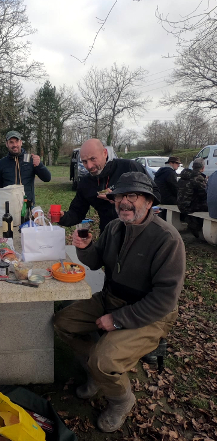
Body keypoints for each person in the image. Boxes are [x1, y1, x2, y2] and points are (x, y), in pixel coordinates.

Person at [54, 172, 184, 433]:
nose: (124, 202)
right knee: (62, 323)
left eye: (132, 196)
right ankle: (95, 372)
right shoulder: (114, 227)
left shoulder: (167, 239)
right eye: (119, 196)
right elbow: (95, 261)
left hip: (151, 314)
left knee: (105, 360)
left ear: (149, 202)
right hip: (110, 298)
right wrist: (85, 247)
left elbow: (164, 299)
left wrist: (118, 319)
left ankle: (122, 401)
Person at [58, 138, 153, 232]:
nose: (89, 166)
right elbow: (77, 212)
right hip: (108, 234)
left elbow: (155, 193)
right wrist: (62, 217)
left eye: (93, 159)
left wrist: (117, 198)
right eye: (84, 161)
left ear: (105, 153)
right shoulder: (86, 182)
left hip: (139, 231)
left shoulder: (129, 167)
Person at [0, 130, 51, 204]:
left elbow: (47, 178)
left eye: (17, 141)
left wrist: (39, 165)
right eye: (11, 142)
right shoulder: (2, 163)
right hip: (9, 206)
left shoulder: (30, 159)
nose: (14, 145)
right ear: (7, 144)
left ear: (21, 142)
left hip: (27, 205)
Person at [177, 158, 208, 238]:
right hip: (190, 206)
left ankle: (193, 222)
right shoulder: (198, 178)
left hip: (180, 204)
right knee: (212, 206)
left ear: (193, 166)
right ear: (203, 168)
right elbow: (204, 194)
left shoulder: (184, 176)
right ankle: (197, 226)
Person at [153, 156, 180, 220]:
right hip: (167, 199)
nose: (178, 165)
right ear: (171, 163)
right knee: (185, 203)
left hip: (159, 197)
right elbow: (174, 187)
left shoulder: (160, 171)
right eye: (177, 163)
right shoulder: (170, 172)